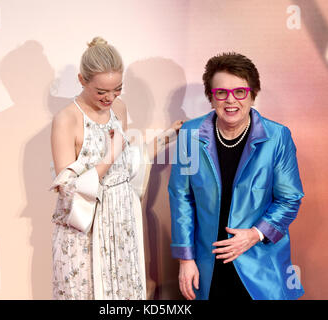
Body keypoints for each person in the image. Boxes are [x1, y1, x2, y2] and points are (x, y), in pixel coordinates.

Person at [50, 37, 182, 300]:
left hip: (122, 220)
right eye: (101, 92)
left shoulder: (119, 108)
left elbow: (125, 164)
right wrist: (110, 155)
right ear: (82, 80)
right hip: (85, 229)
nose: (110, 97)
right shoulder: (66, 119)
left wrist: (166, 137)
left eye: (117, 89)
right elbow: (67, 189)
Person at [168, 52, 304, 300]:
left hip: (260, 261)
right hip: (207, 263)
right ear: (211, 97)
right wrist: (186, 258)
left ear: (253, 94)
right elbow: (181, 197)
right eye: (221, 92)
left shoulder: (277, 137)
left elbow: (289, 199)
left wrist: (255, 234)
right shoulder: (189, 135)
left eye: (240, 91)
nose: (231, 100)